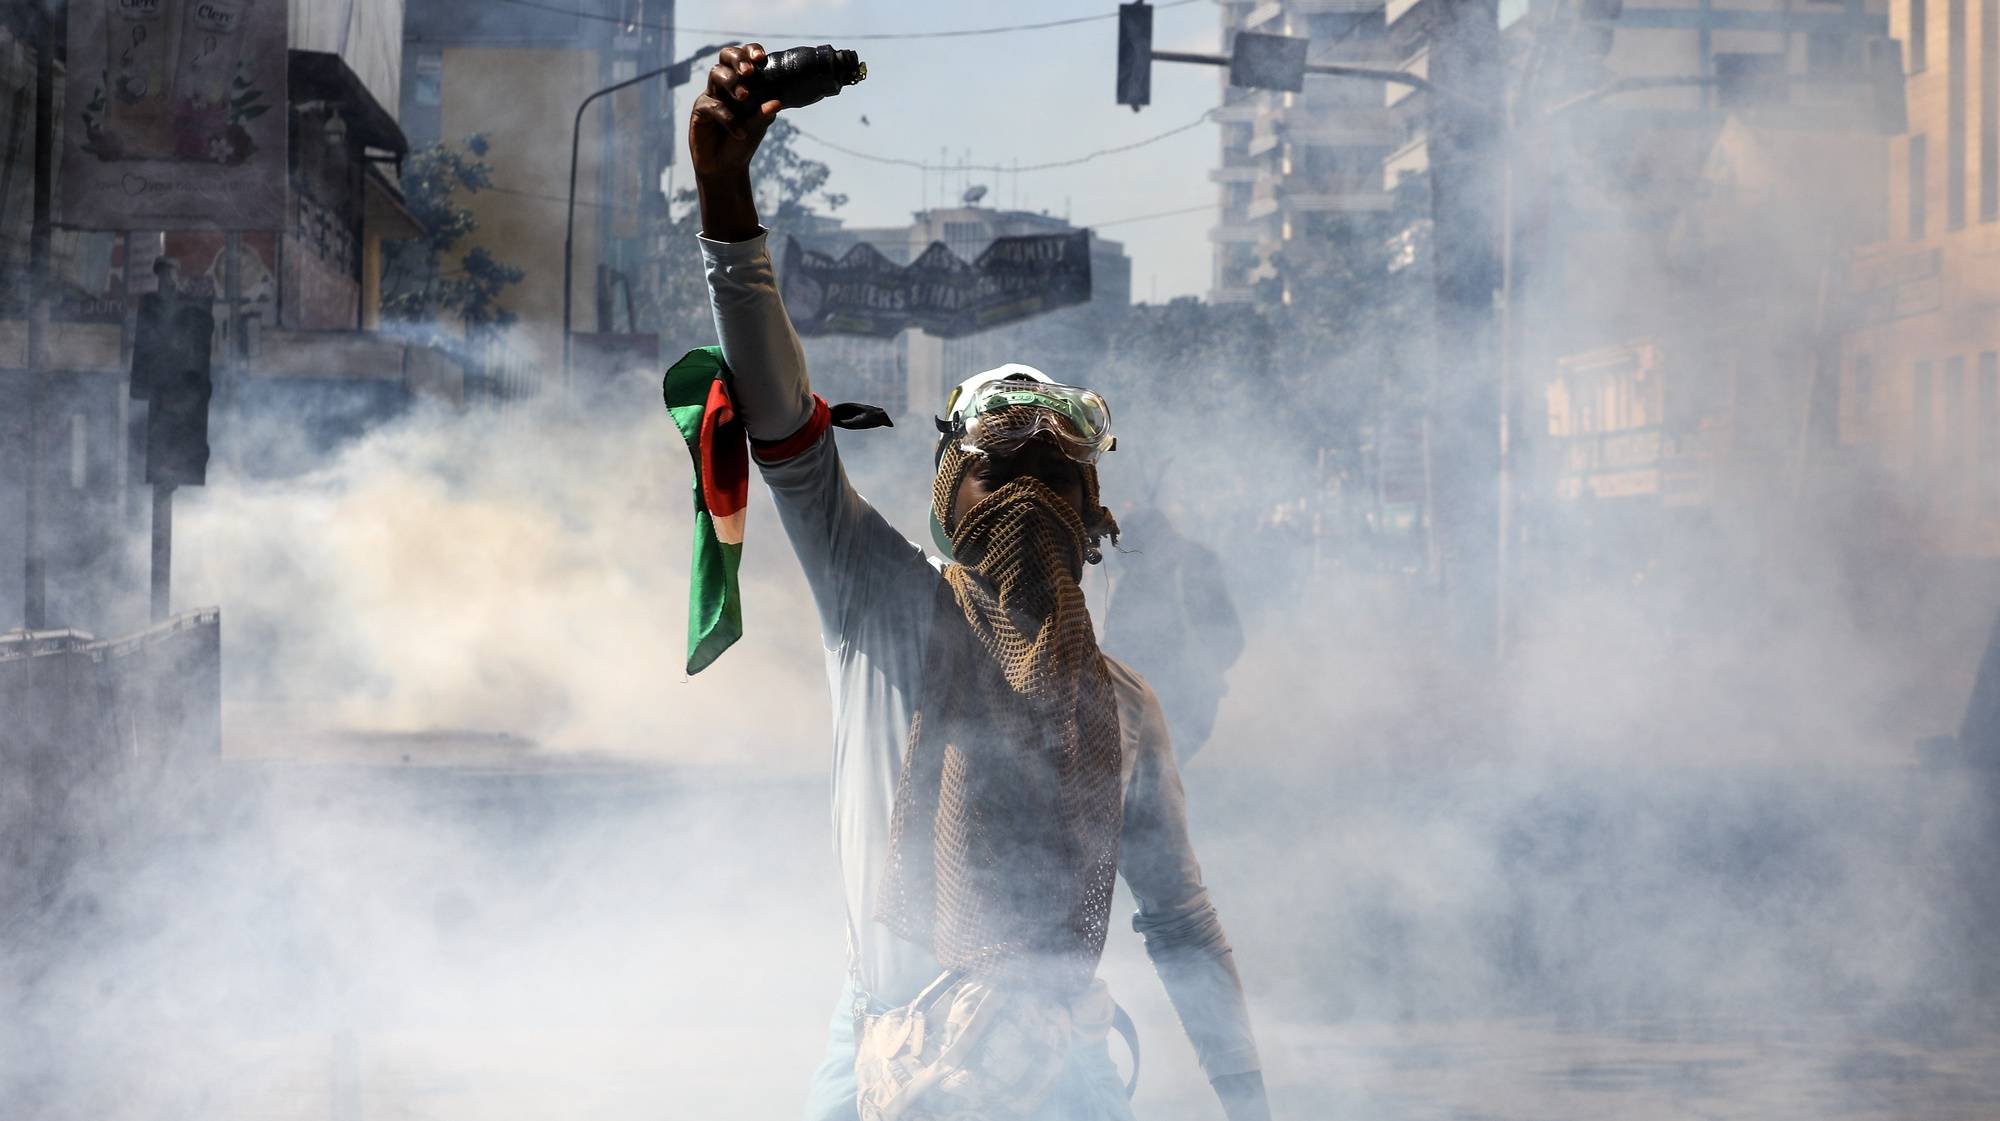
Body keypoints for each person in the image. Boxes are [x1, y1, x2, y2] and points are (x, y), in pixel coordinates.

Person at [690, 44, 1270, 1121]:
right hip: (881, 1049)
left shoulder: (1124, 712)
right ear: (947, 496)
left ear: (1094, 519)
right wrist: (726, 208)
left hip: (1056, 1069)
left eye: (1056, 474)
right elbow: (782, 426)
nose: (1026, 495)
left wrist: (1252, 1103)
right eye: (999, 468)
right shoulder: (881, 599)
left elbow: (1184, 926)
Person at [1102, 506, 1245, 764]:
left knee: (1160, 776)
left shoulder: (1194, 572)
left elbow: (1231, 639)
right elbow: (1114, 645)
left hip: (1189, 706)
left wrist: (1198, 675)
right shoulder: (1133, 582)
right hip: (1140, 706)